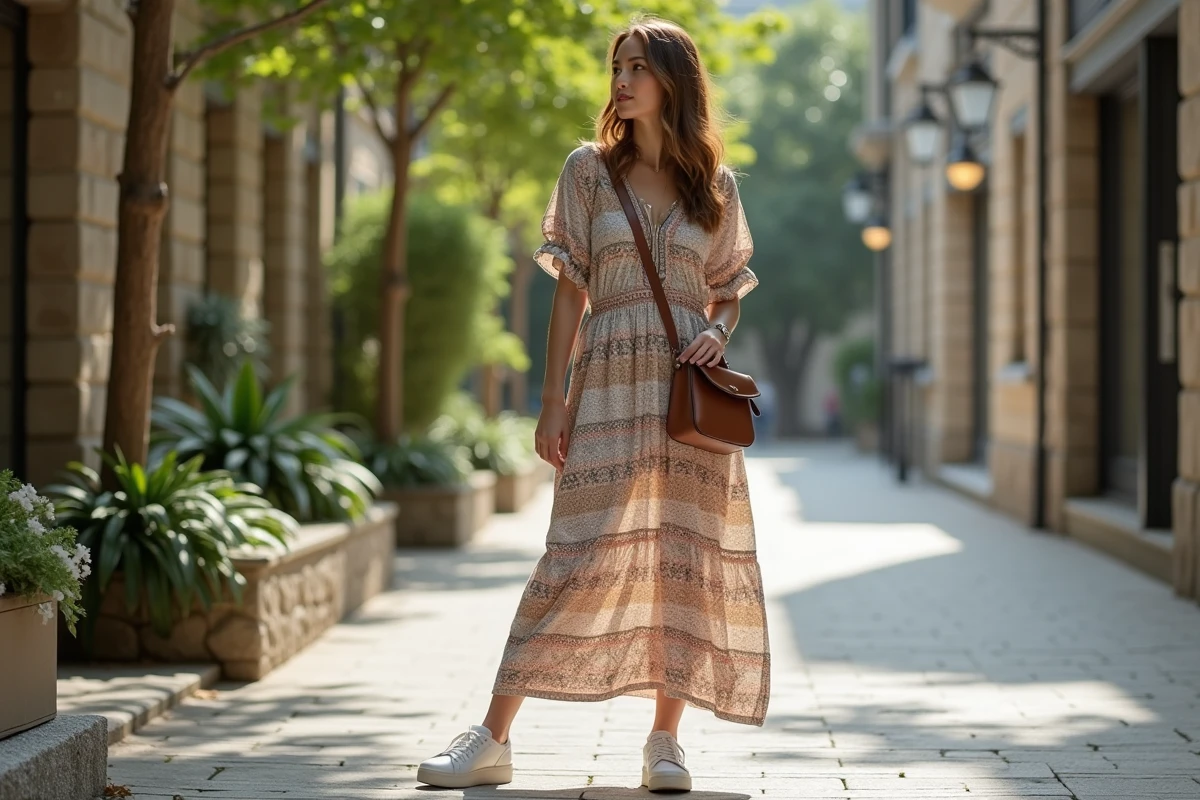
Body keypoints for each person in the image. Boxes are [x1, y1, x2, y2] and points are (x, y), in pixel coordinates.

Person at [417, 17, 770, 793]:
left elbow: (728, 293)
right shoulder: (586, 172)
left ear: (674, 79)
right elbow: (570, 295)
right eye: (618, 66)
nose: (622, 80)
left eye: (638, 67)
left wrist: (716, 330)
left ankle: (664, 742)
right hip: (606, 382)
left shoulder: (716, 184)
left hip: (685, 391)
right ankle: (492, 736)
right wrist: (553, 402)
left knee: (684, 559)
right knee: (570, 554)